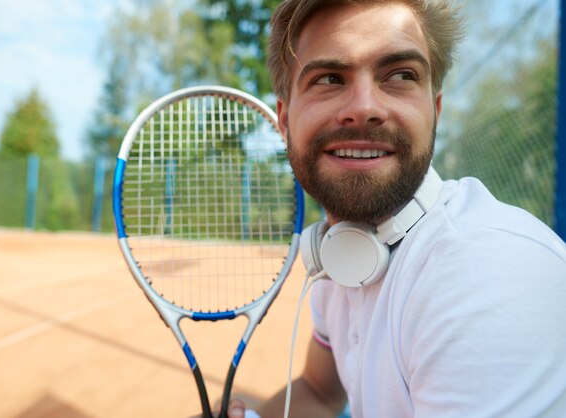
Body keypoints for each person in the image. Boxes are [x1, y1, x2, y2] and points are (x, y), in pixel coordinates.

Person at [223, 0, 566, 417]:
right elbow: (318, 390)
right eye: (330, 78)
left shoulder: (489, 275)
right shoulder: (339, 258)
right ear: (285, 121)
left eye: (401, 75)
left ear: (434, 112)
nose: (365, 107)